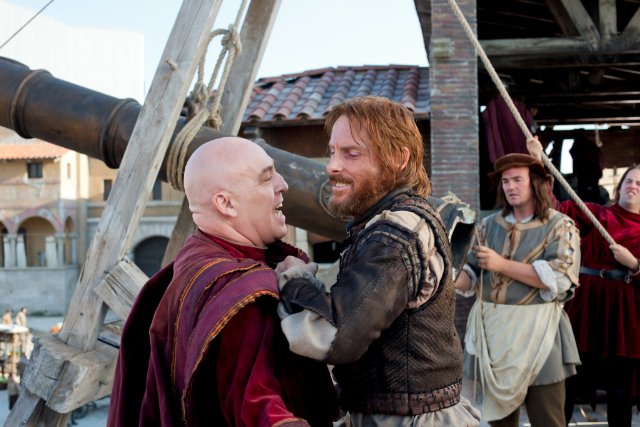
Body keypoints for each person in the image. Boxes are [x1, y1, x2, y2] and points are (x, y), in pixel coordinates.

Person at [275, 96, 481, 426]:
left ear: (398, 158)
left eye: (351, 153)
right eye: (332, 151)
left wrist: (294, 281)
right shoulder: (386, 223)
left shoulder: (396, 234)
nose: (332, 166)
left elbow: (335, 335)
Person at [107, 137, 337, 426]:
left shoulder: (194, 261)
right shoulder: (240, 293)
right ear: (226, 204)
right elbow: (259, 409)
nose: (283, 184)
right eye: (266, 178)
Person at [454, 153, 581, 426]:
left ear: (534, 183)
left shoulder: (560, 225)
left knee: (547, 418)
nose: (510, 186)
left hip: (540, 330)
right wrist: (445, 275)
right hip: (495, 332)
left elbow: (559, 278)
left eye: (517, 180)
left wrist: (501, 264)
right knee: (499, 420)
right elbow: (471, 274)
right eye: (505, 181)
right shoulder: (488, 226)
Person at [528, 138, 640, 427]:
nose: (633, 186)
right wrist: (538, 163)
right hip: (587, 309)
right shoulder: (597, 214)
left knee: (619, 390)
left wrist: (634, 264)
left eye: (639, 184)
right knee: (570, 382)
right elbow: (553, 211)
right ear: (619, 187)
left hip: (624, 317)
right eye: (629, 181)